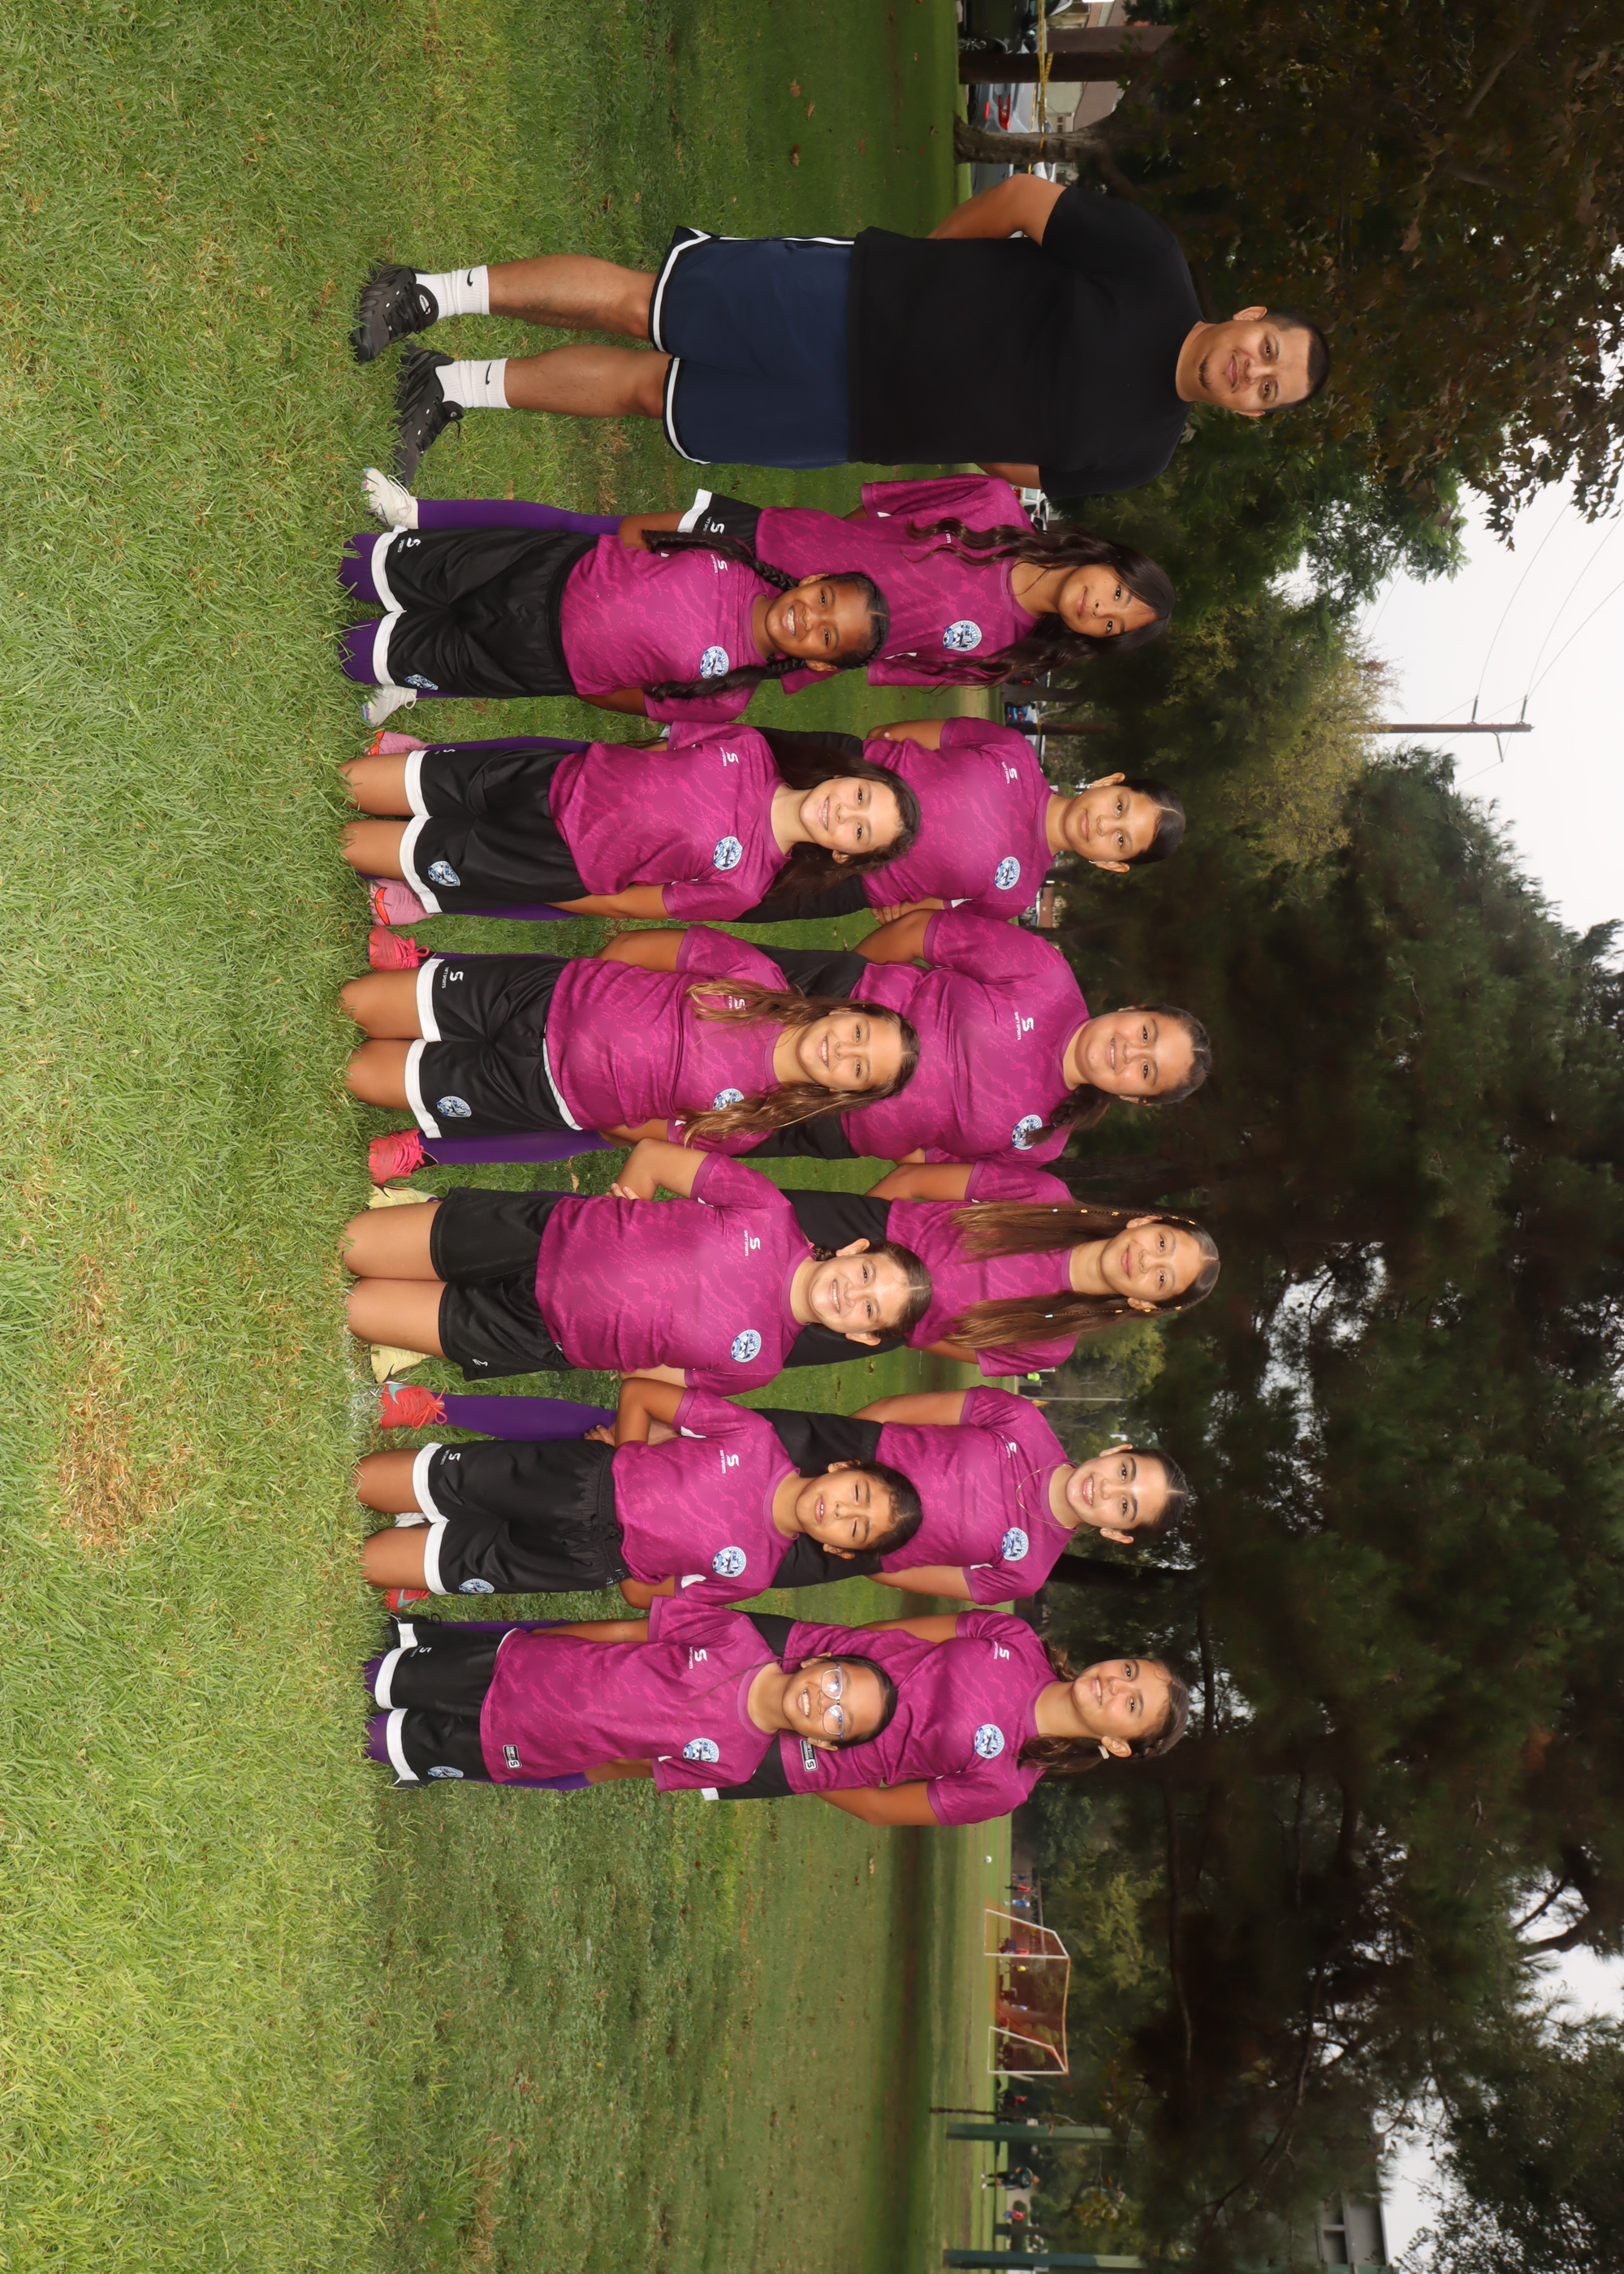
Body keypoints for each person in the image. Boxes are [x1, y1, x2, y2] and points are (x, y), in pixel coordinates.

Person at [350, 184, 1331, 490]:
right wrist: (925, 275)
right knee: (646, 305)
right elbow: (1025, 204)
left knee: (653, 394)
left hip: (853, 420)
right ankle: (428, 293)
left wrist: (941, 414)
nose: (1250, 372)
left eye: (1266, 389)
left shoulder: (1141, 453)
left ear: (1252, 414)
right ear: (1251, 318)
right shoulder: (1151, 266)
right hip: (854, 300)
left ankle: (451, 386)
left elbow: (1017, 466)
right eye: (1267, 352)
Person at [358, 1373, 1186, 1610]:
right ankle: (448, 1454)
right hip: (834, 1457)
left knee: (678, 1543)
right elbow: (905, 1412)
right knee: (634, 1459)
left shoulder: (1025, 1570)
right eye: (1124, 1473)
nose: (1107, 1490)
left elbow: (907, 1574)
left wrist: (854, 1544)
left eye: (1125, 1506)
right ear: (1114, 1452)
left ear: (1116, 1533)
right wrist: (845, 1458)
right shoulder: (1021, 1422)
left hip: (838, 1546)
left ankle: (446, 1553)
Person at [365, 469, 1175, 686]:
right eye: (1115, 592)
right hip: (780, 549)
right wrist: (814, 552)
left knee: (609, 639)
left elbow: (892, 663)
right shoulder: (993, 505)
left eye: (1112, 623)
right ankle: (422, 519)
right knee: (594, 543)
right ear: (1106, 559)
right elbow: (878, 510)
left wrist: (813, 653)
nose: (1098, 607)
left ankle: (424, 673)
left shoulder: (1002, 655)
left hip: (799, 632)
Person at [600, 911, 1210, 1167]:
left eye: (1146, 1070)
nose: (1130, 1052)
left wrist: (883, 1131)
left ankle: (592, 1116)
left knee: (702, 1124)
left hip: (830, 1125)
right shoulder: (1045, 975)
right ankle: (596, 988)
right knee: (699, 1003)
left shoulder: (1043, 1142)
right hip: (831, 1010)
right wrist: (850, 991)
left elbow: (935, 1160)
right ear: (1134, 1009)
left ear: (1135, 1098)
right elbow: (922, 933)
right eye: (1146, 1034)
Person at [340, 1137, 931, 1385]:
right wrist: (626, 1214)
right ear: (856, 1249)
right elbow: (651, 1155)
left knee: (357, 1307)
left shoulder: (760, 1365)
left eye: (870, 1310)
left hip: (536, 1333)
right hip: (542, 1237)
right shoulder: (769, 1209)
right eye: (867, 1275)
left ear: (861, 1337)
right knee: (355, 1243)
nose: (853, 1295)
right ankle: (423, 1215)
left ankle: (427, 1311)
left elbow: (654, 1375)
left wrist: (614, 1343)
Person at [336, 931, 918, 1161]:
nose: (844, 1052)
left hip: (542, 1092)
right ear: (847, 1010)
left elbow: (640, 1132)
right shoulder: (755, 976)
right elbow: (646, 951)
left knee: (356, 1073)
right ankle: (425, 969)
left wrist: (586, 1100)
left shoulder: (752, 1122)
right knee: (354, 1003)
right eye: (859, 1035)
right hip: (539, 996)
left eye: (859, 1070)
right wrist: (589, 990)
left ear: (843, 1093)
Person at [356, 1373, 922, 1606]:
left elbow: (642, 1595)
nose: (841, 1509)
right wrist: (626, 1456)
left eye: (855, 1527)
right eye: (858, 1493)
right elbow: (641, 1395)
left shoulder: (753, 1573)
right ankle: (422, 1497)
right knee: (379, 1483)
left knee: (372, 1563)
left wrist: (627, 1563)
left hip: (583, 1561)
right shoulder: (755, 1437)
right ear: (843, 1466)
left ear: (838, 1549)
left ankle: (426, 1551)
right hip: (577, 1478)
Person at [335, 491, 889, 728]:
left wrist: (573, 665)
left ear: (820, 663)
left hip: (533, 660)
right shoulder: (734, 556)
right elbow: (638, 534)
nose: (810, 619)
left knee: (353, 655)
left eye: (826, 637)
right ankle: (401, 543)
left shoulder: (729, 697)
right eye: (824, 600)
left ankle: (402, 672)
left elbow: (630, 699)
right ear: (814, 580)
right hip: (535, 570)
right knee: (353, 566)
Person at [342, 720, 920, 927]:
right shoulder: (749, 746)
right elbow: (649, 754)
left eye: (859, 831)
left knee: (350, 843)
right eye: (861, 796)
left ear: (843, 856)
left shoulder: (745, 885)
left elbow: (630, 905)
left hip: (551, 860)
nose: (846, 812)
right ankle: (423, 770)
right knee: (352, 781)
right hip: (545, 778)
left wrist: (544, 886)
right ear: (848, 774)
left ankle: (429, 885)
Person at [708, 1610, 1190, 1827]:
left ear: (1119, 1744)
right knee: (679, 1639)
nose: (1117, 1685)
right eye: (1130, 1671)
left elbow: (881, 1809)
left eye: (1132, 1705)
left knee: (668, 1750)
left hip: (795, 1755)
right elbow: (887, 1633)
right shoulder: (1017, 1639)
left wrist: (805, 1767)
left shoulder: (1006, 1786)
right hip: (806, 1655)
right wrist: (821, 1663)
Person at [363, 1602, 899, 1790]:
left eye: (839, 1720)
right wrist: (538, 1644)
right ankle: (408, 1663)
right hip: (524, 1671)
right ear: (818, 1661)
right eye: (837, 1684)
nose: (825, 1703)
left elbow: (634, 1764)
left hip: (529, 1745)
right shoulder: (736, 1635)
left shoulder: (736, 1765)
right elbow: (625, 1632)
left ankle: (411, 1750)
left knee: (377, 1741)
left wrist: (562, 1773)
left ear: (823, 1744)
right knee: (377, 1677)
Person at [764, 1160, 1220, 1377]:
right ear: (1144, 1222)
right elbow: (915, 1179)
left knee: (742, 1343)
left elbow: (931, 1338)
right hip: (860, 1232)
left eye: (1162, 1278)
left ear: (1145, 1303)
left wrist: (890, 1325)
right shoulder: (1044, 1198)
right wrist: (858, 1252)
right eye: (1162, 1244)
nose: (1147, 1260)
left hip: (864, 1324)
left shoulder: (1049, 1345)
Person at [736, 716, 1182, 927]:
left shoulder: (1016, 894)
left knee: (734, 894)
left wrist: (905, 906)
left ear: (1111, 864)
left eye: (1120, 840)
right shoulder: (1013, 750)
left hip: (846, 881)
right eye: (1119, 808)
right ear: (1108, 783)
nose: (1104, 826)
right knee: (730, 759)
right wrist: (869, 768)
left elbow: (939, 911)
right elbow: (901, 735)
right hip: (842, 774)